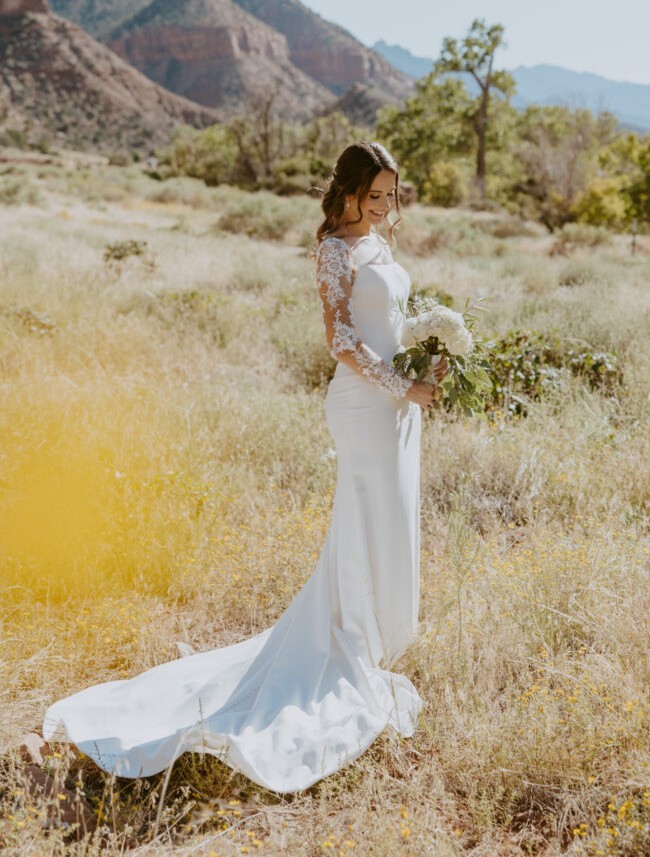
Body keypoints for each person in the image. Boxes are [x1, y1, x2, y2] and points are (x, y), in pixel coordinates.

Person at [40, 141, 441, 793]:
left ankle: (384, 636)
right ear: (346, 194)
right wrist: (399, 385)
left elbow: (389, 318)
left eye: (391, 195)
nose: (384, 207)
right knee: (364, 515)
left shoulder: (381, 244)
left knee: (395, 513)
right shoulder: (333, 250)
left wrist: (428, 351)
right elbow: (340, 338)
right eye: (374, 197)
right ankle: (350, 639)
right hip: (364, 406)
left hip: (400, 402)